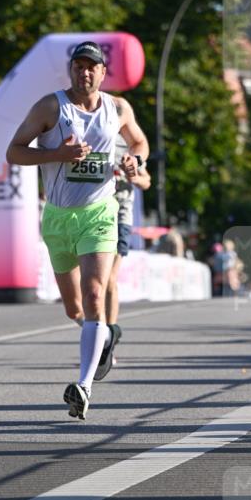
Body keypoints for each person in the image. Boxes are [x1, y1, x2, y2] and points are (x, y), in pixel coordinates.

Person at [6, 40, 149, 419]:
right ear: (71, 70)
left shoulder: (118, 108)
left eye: (92, 67)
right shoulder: (51, 107)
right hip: (57, 218)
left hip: (99, 214)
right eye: (78, 66)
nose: (85, 72)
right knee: (75, 308)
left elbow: (138, 142)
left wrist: (135, 162)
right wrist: (58, 154)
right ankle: (103, 334)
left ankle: (83, 387)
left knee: (95, 293)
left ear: (103, 73)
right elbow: (14, 151)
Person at [104, 134, 151, 357]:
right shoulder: (90, 138)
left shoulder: (128, 144)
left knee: (109, 279)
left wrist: (132, 175)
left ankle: (108, 341)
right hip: (92, 215)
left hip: (120, 217)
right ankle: (98, 335)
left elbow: (147, 181)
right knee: (93, 284)